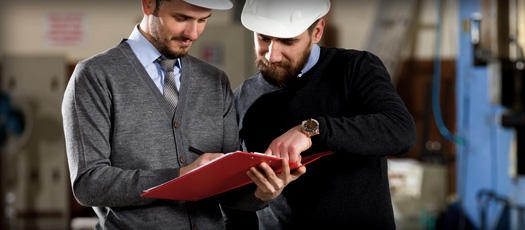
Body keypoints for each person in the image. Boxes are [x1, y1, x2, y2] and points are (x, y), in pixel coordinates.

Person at [61, 0, 303, 229]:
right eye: (181, 18)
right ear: (148, 4)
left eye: (202, 20)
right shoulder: (95, 77)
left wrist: (262, 193)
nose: (193, 34)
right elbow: (89, 184)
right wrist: (179, 177)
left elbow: (228, 188)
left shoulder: (215, 81)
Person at [230, 0, 418, 229]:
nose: (272, 55)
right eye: (263, 38)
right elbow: (234, 198)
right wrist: (259, 196)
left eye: (288, 41)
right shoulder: (241, 97)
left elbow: (401, 131)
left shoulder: (355, 68)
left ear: (317, 31)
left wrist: (310, 129)